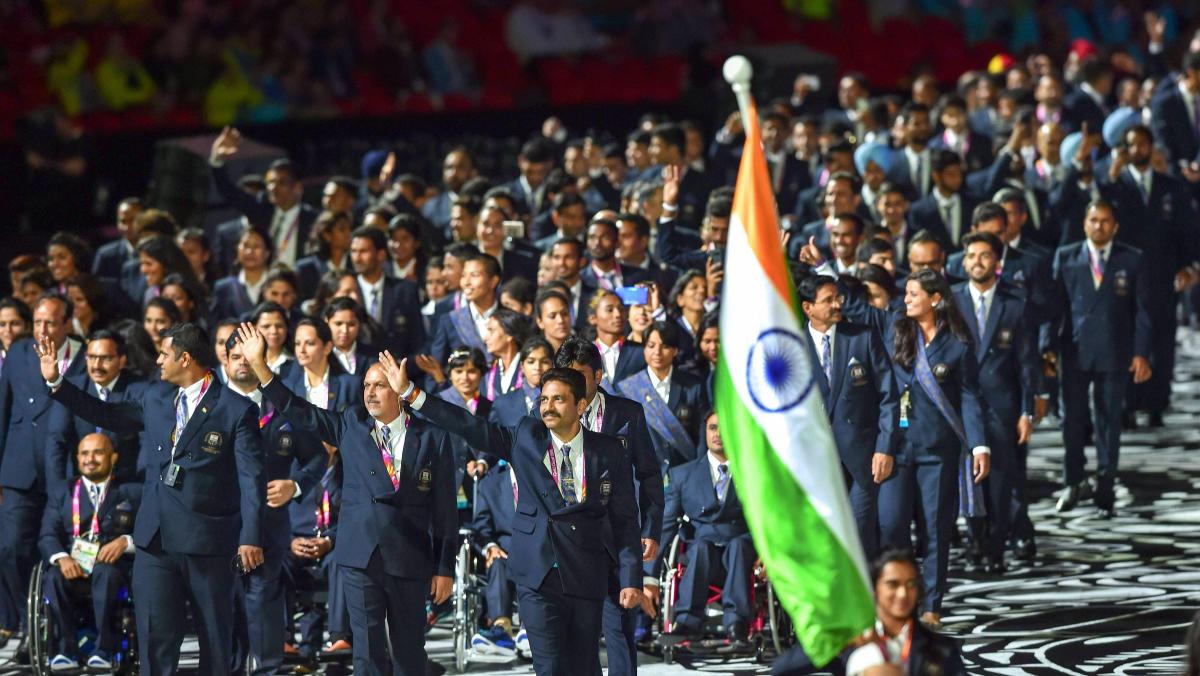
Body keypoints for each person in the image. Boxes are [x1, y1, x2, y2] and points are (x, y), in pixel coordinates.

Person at [40, 322, 266, 675]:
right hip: (153, 540)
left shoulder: (235, 409)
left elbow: (252, 480)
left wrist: (251, 536)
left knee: (215, 642)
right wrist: (57, 383)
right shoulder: (155, 396)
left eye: (164, 353)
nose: (158, 360)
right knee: (154, 637)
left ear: (186, 358)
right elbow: (107, 415)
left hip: (207, 543)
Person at [400, 356, 643, 676]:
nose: (548, 406)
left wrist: (631, 577)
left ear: (581, 405)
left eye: (558, 399)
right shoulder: (526, 438)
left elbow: (625, 520)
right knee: (550, 665)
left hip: (586, 571)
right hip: (537, 573)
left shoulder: (609, 450)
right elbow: (467, 424)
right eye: (544, 398)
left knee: (584, 666)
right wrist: (412, 393)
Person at [238, 324, 456, 676]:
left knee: (410, 655)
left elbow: (446, 510)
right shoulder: (350, 424)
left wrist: (445, 568)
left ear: (399, 392)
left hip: (410, 557)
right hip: (360, 557)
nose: (369, 393)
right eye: (366, 385)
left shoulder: (432, 437)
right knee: (367, 655)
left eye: (379, 386)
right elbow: (297, 409)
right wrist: (261, 368)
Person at [554, 336, 663, 676]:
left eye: (579, 376)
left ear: (598, 376)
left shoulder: (628, 414)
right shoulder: (544, 414)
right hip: (568, 544)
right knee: (576, 638)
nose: (570, 384)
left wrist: (651, 529)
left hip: (617, 540)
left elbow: (649, 474)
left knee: (618, 630)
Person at [223, 331, 325, 676]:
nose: (242, 363)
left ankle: (267, 669)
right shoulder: (210, 406)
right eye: (235, 357)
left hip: (270, 523)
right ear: (224, 361)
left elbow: (317, 460)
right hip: (221, 524)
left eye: (248, 356)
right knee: (226, 604)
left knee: (264, 600)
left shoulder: (282, 405)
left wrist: (295, 486)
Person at [1044, 200, 1152, 518]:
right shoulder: (1066, 257)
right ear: (1084, 223)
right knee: (1072, 420)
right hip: (1073, 351)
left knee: (1109, 421)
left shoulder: (1132, 259)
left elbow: (1144, 311)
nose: (1099, 226)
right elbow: (1054, 308)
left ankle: (1105, 484)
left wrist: (1141, 353)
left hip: (1115, 351)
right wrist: (1046, 347)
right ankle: (1073, 481)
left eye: (1106, 221)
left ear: (1115, 226)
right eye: (1093, 220)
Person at [951, 232, 1039, 572]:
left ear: (997, 263)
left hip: (1003, 406)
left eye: (985, 256)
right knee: (969, 477)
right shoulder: (951, 300)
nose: (977, 261)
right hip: (960, 406)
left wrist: (1026, 411)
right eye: (971, 255)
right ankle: (976, 540)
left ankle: (997, 546)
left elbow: (1027, 362)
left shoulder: (1015, 303)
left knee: (1002, 481)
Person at [0, 293, 86, 638]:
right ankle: (25, 620)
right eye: (38, 322)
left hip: (63, 470)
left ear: (67, 323)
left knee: (59, 548)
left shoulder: (83, 355)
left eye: (51, 322)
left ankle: (62, 625)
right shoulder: (19, 353)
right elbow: (2, 410)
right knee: (10, 548)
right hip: (19, 469)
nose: (43, 329)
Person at [797, 276, 899, 560]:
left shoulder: (863, 337)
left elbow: (889, 396)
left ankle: (865, 600)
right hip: (815, 464)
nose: (837, 304)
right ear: (808, 307)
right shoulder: (792, 346)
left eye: (838, 298)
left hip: (861, 459)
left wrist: (884, 447)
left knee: (858, 534)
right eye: (828, 300)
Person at [772, 549, 966, 675]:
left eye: (910, 584)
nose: (902, 593)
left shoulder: (940, 649)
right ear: (874, 589)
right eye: (893, 584)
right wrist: (839, 642)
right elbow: (781, 670)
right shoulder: (851, 643)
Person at [38, 433, 141, 671]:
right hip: (72, 565)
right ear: (76, 458)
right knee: (52, 577)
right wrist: (61, 557)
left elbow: (151, 531)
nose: (90, 459)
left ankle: (104, 649)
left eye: (98, 452)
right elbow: (47, 535)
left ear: (113, 457)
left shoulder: (132, 491)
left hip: (113, 568)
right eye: (84, 453)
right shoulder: (62, 492)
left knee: (107, 573)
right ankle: (66, 650)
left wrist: (126, 541)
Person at [655, 410, 756, 643]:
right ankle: (687, 622)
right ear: (705, 432)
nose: (718, 434)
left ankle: (737, 624)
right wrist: (649, 577)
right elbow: (667, 525)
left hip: (740, 549)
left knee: (739, 546)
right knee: (700, 546)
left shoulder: (752, 472)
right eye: (712, 428)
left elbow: (768, 519)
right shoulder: (683, 475)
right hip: (702, 553)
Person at [45, 329, 148, 485]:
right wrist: (58, 492)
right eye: (91, 357)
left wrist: (138, 491)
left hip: (125, 486)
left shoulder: (140, 391)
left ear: (121, 360)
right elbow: (56, 442)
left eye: (105, 358)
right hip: (80, 487)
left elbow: (146, 446)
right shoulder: (71, 388)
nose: (97, 365)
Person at [210, 128, 317, 268]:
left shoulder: (313, 220)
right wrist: (218, 160)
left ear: (297, 187)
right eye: (271, 182)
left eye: (282, 183)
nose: (273, 188)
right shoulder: (260, 208)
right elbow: (228, 191)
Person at [617, 320, 709, 468]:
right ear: (644, 349)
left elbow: (702, 435)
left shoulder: (693, 386)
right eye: (651, 346)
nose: (657, 352)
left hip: (685, 472)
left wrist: (698, 469)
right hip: (645, 476)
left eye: (665, 346)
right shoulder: (629, 389)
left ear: (675, 351)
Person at [587, 288, 646, 390]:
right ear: (593, 318)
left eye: (621, 309)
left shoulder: (641, 351)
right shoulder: (584, 354)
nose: (618, 314)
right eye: (609, 310)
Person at [212, 228, 273, 321]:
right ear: (237, 250)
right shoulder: (224, 288)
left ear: (267, 253)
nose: (249, 252)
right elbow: (214, 325)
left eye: (256, 246)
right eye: (245, 245)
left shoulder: (278, 285)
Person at [490, 337, 552, 427]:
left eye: (544, 362)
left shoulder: (563, 400)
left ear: (552, 365)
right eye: (531, 362)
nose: (537, 367)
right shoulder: (502, 404)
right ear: (522, 366)